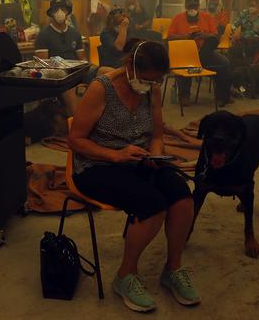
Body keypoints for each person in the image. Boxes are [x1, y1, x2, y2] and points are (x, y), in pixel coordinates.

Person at [68, 40, 199, 313]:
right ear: (129, 67)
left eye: (156, 82)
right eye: (146, 80)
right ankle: (125, 275)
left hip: (137, 160)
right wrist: (115, 155)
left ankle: (172, 269)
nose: (150, 87)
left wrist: (155, 156)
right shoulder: (100, 89)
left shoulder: (151, 90)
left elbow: (158, 135)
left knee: (182, 197)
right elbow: (76, 140)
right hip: (96, 165)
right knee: (152, 206)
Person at [35, 0, 110, 115]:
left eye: (63, 9)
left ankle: (110, 113)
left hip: (78, 70)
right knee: (70, 92)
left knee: (108, 72)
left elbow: (82, 58)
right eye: (56, 9)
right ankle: (77, 125)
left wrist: (88, 66)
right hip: (61, 75)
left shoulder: (74, 33)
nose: (60, 12)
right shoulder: (43, 35)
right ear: (51, 13)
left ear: (68, 12)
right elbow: (42, 63)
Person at [167, 0, 233, 107]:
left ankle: (222, 96)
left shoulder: (207, 17)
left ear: (198, 5)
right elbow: (169, 38)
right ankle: (184, 95)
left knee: (224, 63)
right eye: (189, 2)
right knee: (186, 65)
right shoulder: (177, 18)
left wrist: (204, 35)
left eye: (195, 2)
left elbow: (215, 36)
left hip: (205, 52)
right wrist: (186, 37)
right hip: (186, 55)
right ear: (185, 5)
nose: (192, 4)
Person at [230, 0, 259, 64]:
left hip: (257, 41)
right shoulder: (244, 13)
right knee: (232, 51)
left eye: (253, 5)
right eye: (250, 5)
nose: (251, 7)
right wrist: (236, 31)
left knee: (246, 50)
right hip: (243, 40)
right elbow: (233, 25)